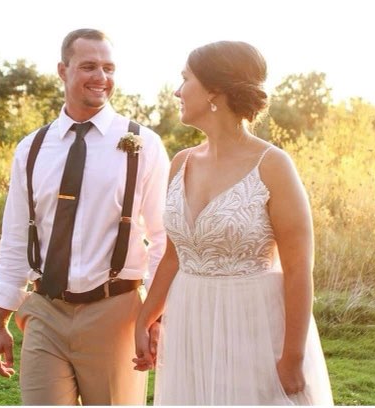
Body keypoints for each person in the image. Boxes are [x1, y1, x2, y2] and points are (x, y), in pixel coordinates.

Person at [133, 40, 334, 405]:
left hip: (253, 324)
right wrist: (144, 320)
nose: (178, 91)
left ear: (215, 90)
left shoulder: (273, 166)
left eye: (185, 79)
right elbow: (174, 258)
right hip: (190, 320)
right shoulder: (181, 163)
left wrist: (292, 356)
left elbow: (299, 269)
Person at [0, 28, 169, 405]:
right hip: (45, 312)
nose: (101, 77)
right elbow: (16, 237)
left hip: (115, 312)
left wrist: (154, 318)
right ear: (62, 70)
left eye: (108, 67)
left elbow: (165, 238)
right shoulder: (32, 148)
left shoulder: (143, 144)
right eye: (88, 66)